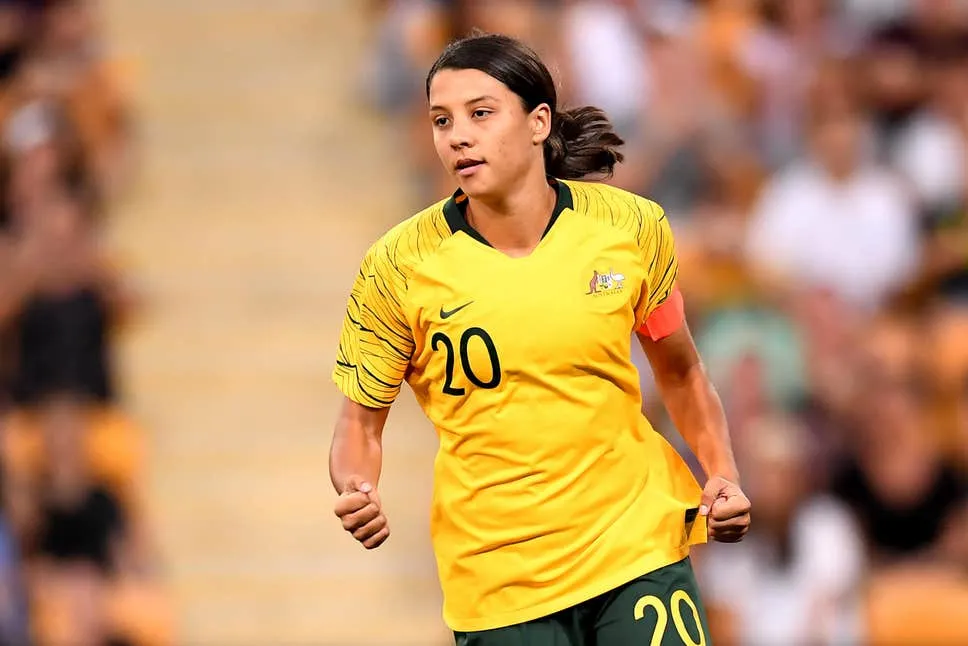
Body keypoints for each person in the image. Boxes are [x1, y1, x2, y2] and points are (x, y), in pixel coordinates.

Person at [329, 32, 751, 646]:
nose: (458, 136)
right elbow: (359, 424)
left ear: (538, 122)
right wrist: (356, 488)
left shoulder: (630, 227)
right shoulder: (397, 266)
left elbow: (681, 369)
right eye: (442, 121)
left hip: (635, 546)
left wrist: (722, 473)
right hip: (500, 581)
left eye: (480, 113)